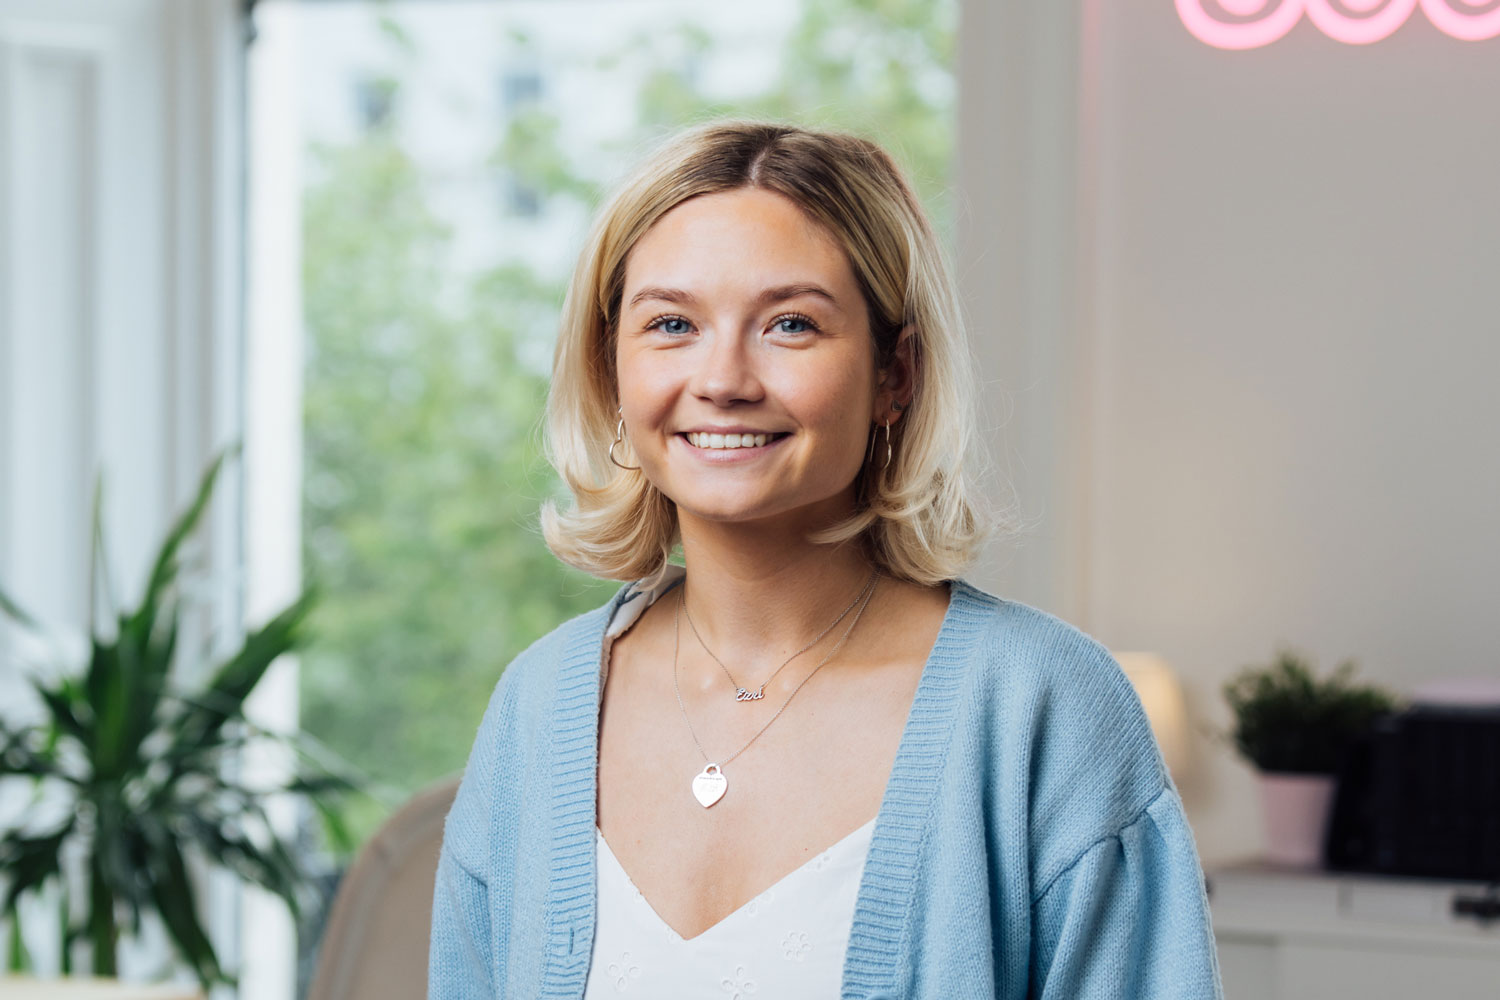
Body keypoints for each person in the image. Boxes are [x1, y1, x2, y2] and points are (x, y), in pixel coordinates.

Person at [428, 120, 1223, 999]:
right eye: (672, 323)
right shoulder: (537, 708)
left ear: (897, 375)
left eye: (792, 324)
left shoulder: (1046, 710)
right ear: (612, 369)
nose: (724, 377)